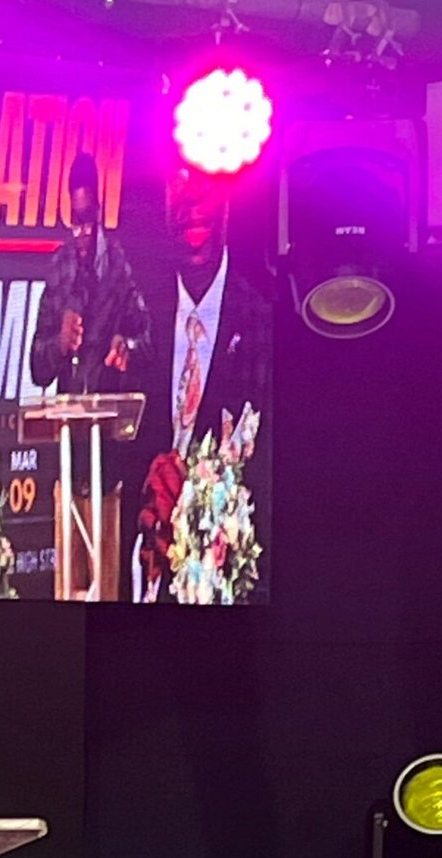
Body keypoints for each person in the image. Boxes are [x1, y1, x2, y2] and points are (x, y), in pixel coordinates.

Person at [134, 164, 272, 599]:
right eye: (177, 186)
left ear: (228, 204)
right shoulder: (139, 315)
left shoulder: (263, 321)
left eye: (205, 184)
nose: (191, 201)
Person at [29, 152, 150, 397]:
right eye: (76, 222)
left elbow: (151, 345)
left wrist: (127, 349)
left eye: (87, 222)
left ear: (98, 211)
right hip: (68, 413)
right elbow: (38, 370)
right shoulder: (60, 268)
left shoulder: (123, 265)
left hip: (113, 410)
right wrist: (60, 344)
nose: (82, 234)